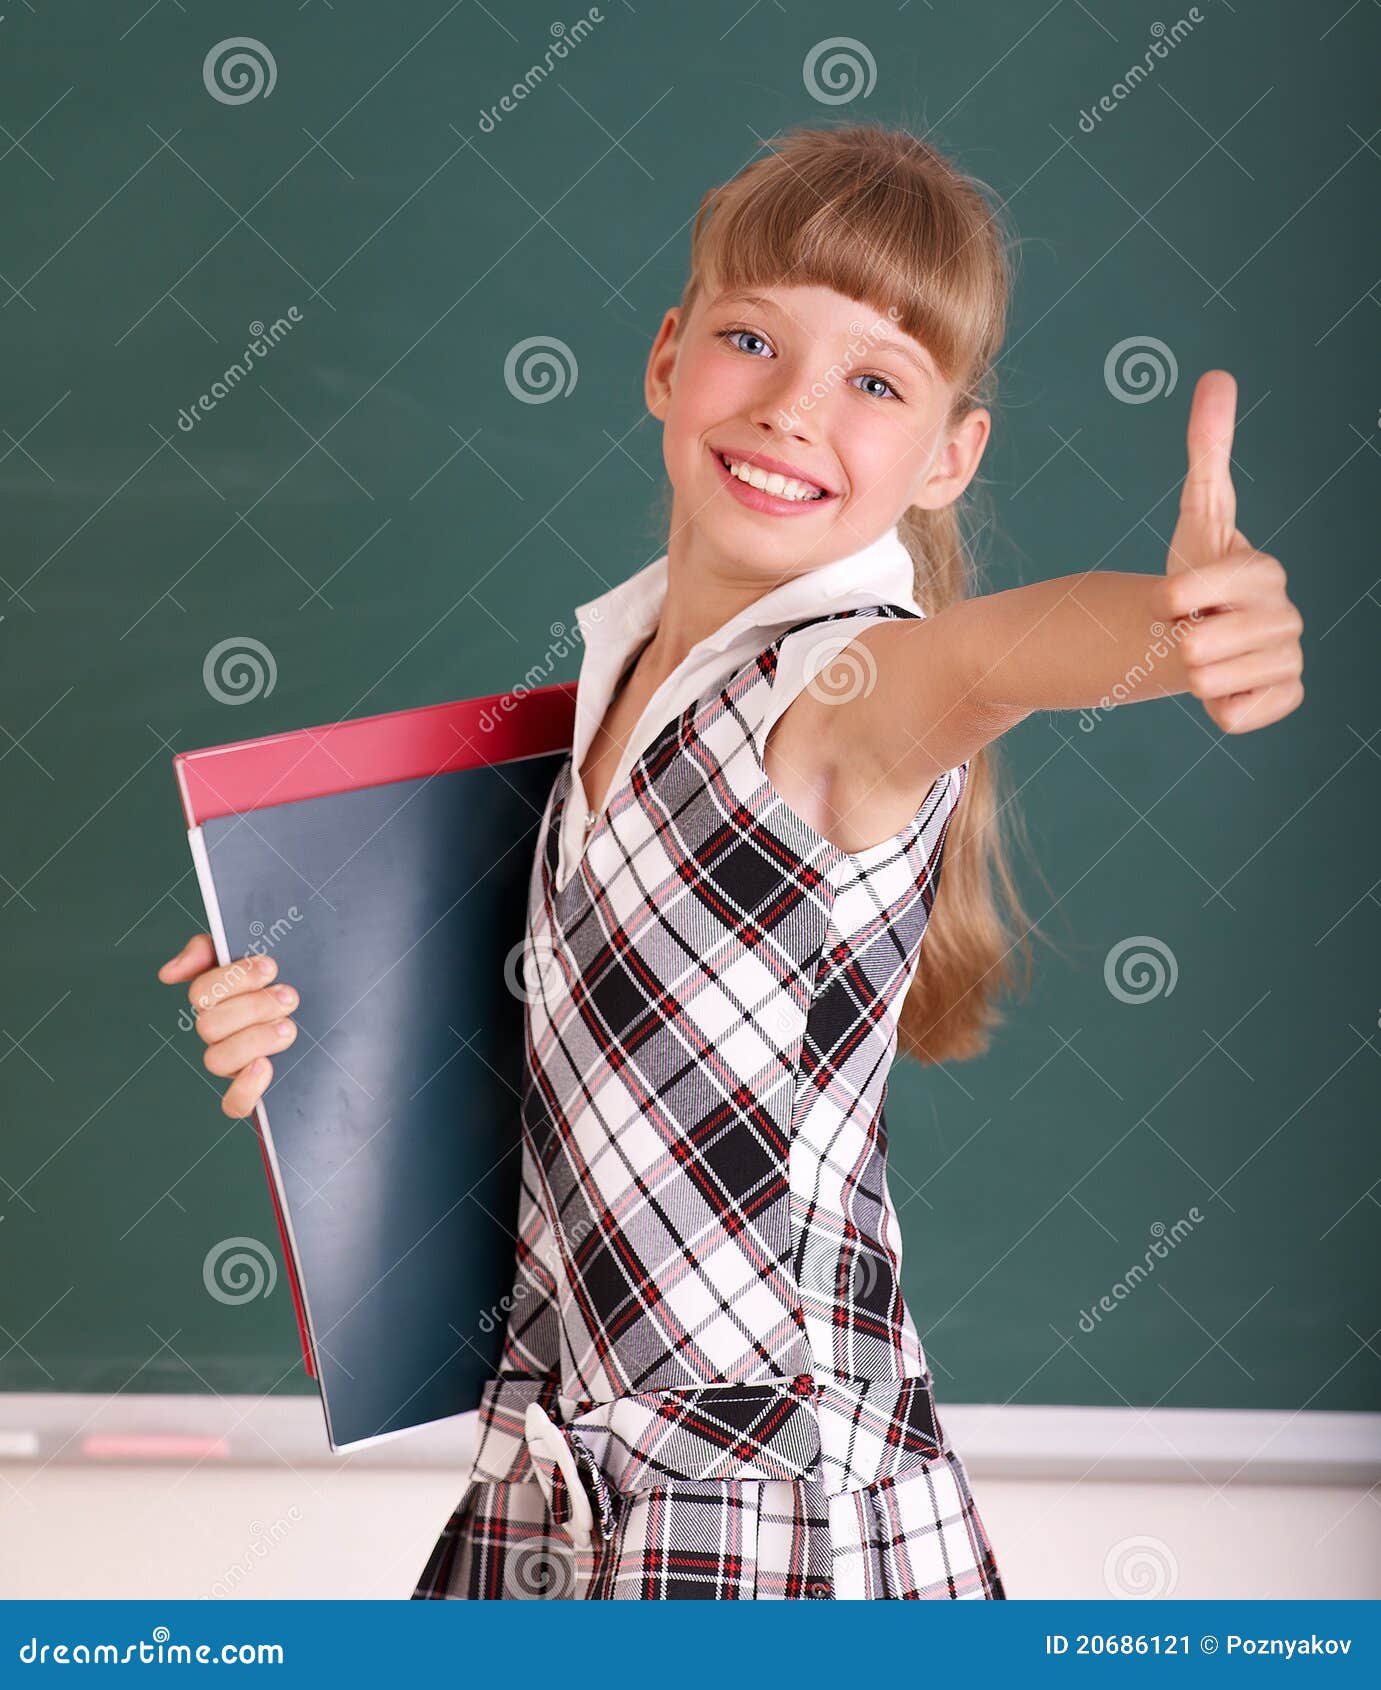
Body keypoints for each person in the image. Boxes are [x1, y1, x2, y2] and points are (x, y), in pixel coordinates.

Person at [157, 121, 1304, 1599]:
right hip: (561, 1478)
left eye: (874, 381)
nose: (787, 410)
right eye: (750, 338)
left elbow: (988, 658)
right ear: (662, 357)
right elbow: (497, 1057)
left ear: (953, 455)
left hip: (762, 1520)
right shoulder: (599, 696)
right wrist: (292, 1015)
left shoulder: (835, 694)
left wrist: (1180, 626)